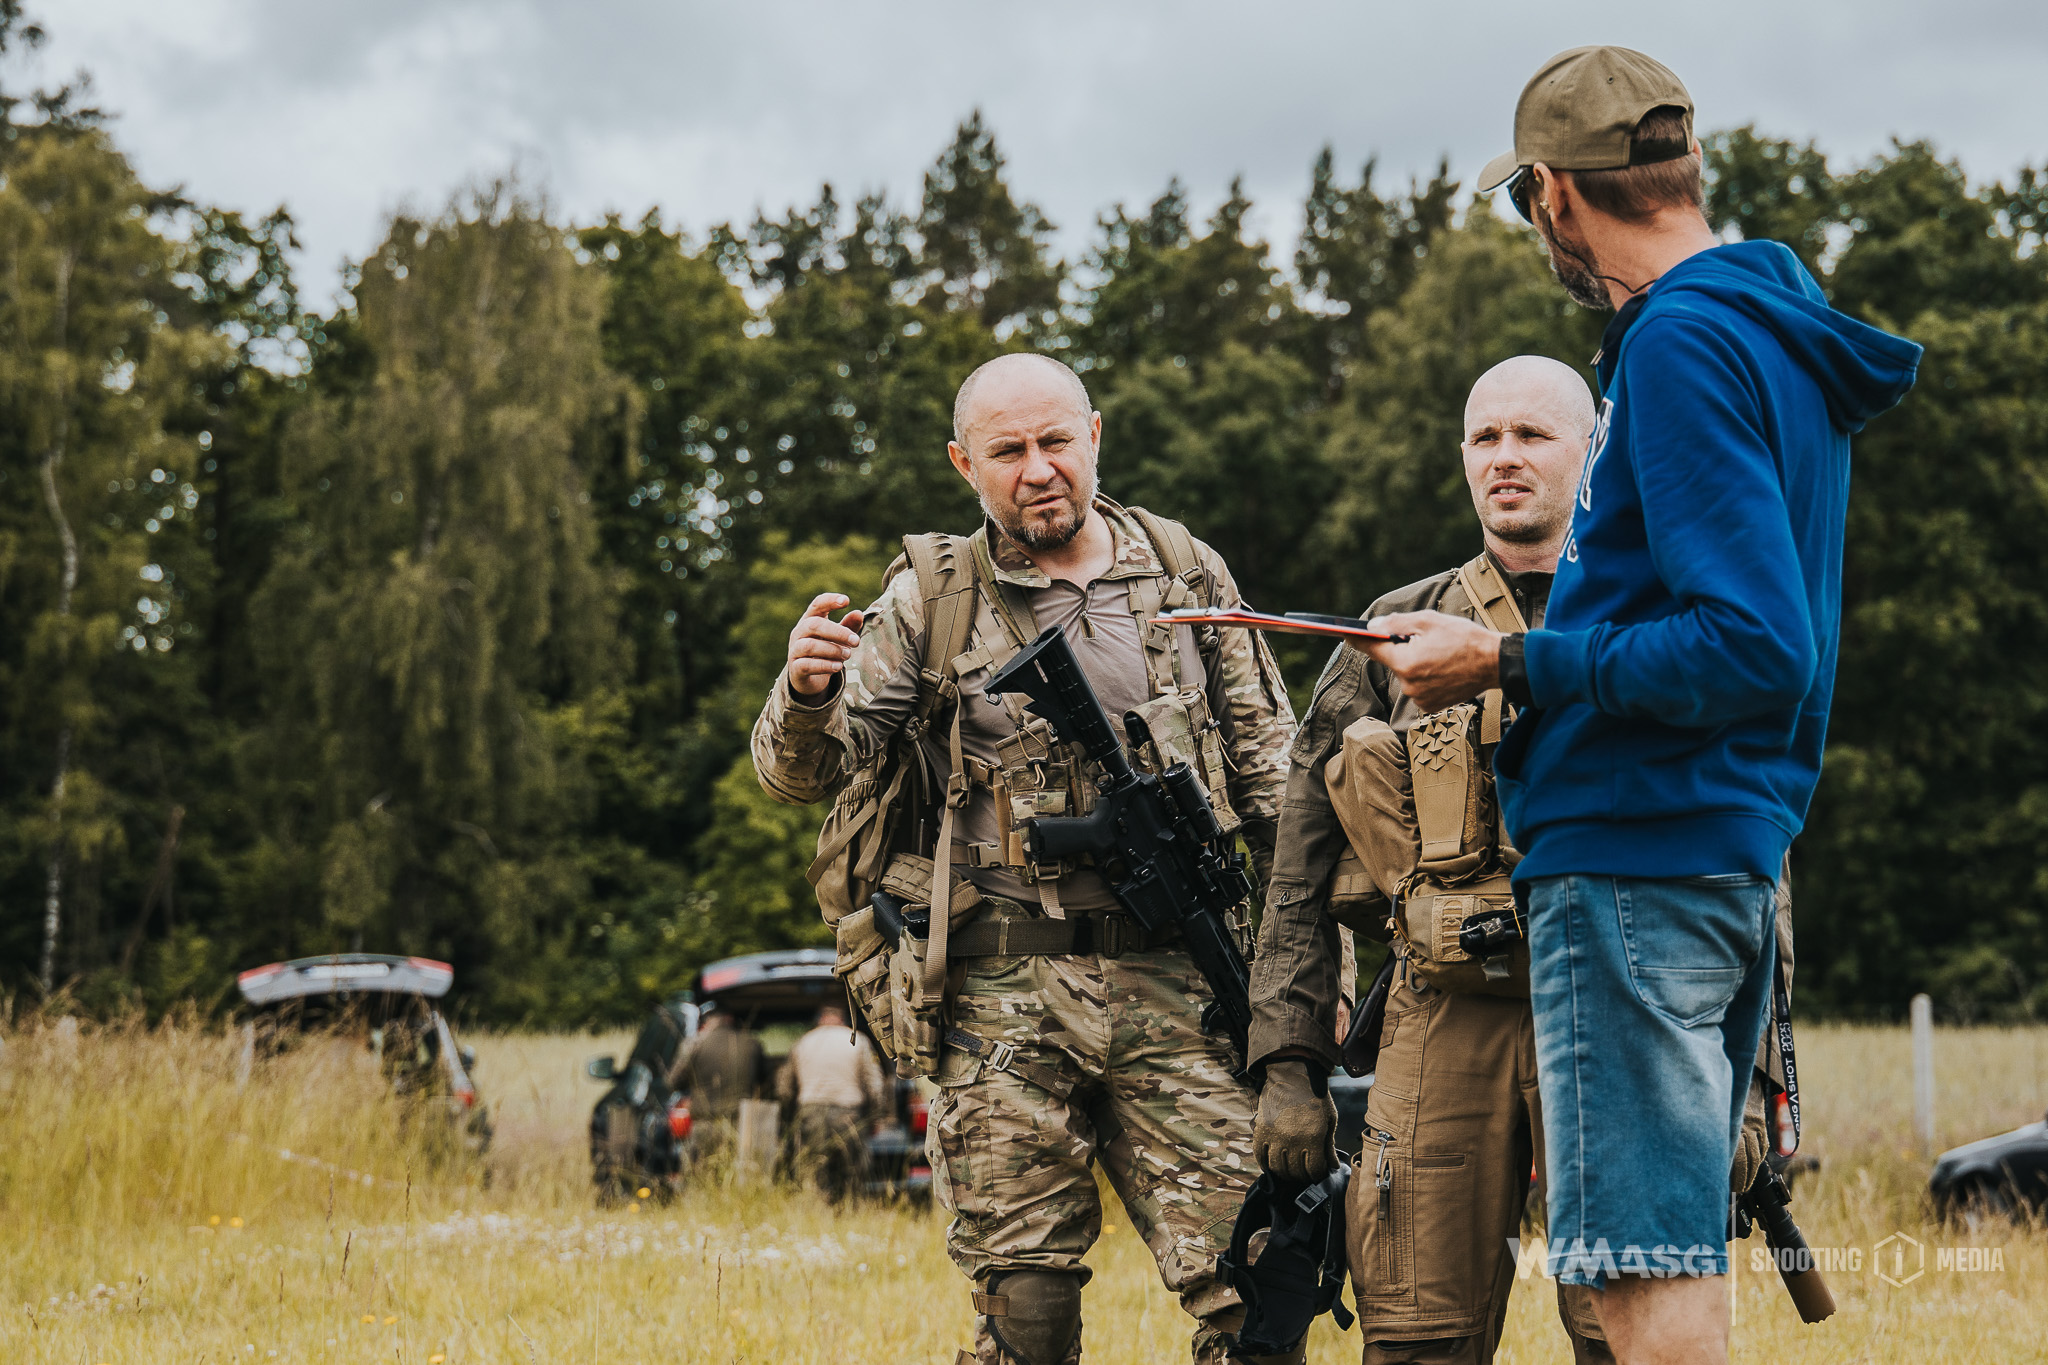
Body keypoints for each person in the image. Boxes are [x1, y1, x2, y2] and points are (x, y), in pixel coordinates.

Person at [1360, 47, 1920, 1365]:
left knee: (1641, 1273)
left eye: (1528, 205)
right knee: (1650, 1256)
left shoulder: (1678, 341)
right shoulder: (1767, 330)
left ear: (1560, 196)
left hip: (1637, 857)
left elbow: (1752, 643)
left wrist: (1508, 663)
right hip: (1707, 848)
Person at [751, 351, 1298, 1365]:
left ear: (1094, 436)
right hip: (1000, 989)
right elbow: (804, 775)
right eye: (1007, 451)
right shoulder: (929, 599)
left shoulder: (1182, 572)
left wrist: (1310, 979)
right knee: (1022, 1302)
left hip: (1177, 977)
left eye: (1054, 442)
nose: (1037, 469)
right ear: (966, 463)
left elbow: (1278, 787)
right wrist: (806, 692)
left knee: (1255, 1281)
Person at [1249, 355, 1616, 1364]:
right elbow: (1296, 867)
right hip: (1438, 1009)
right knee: (1416, 1334)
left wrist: (1759, 1075)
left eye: (1532, 436)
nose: (1504, 458)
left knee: (1628, 1332)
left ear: (1592, 451)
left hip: (1621, 1012)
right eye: (1484, 438)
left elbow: (1745, 853)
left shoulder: (1651, 620)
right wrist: (1288, 1065)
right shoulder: (1391, 633)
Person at [777, 1003, 888, 1200]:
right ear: (843, 1020)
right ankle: (849, 1210)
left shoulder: (803, 1041)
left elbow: (785, 1087)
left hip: (811, 1112)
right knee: (852, 1170)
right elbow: (875, 1082)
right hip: (849, 1113)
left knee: (815, 1168)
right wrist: (876, 1115)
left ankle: (818, 1210)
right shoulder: (858, 1040)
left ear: (820, 1020)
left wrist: (788, 1115)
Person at [668, 1008, 767, 1159]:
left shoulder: (695, 1044)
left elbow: (673, 1082)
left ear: (707, 1022)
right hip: (742, 1124)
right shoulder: (753, 1044)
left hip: (704, 1124)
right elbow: (764, 1080)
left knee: (701, 1173)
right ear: (730, 1019)